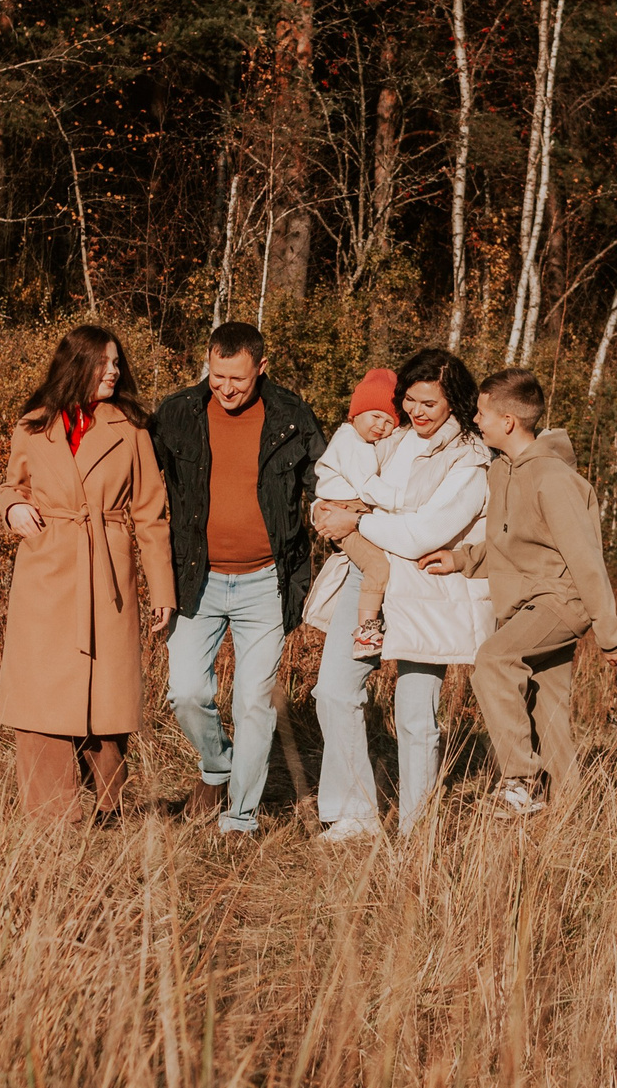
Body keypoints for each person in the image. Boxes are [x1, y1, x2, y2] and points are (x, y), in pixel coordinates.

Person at [420, 369, 617, 815]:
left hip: (559, 601)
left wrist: (609, 632)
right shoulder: (502, 472)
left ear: (509, 421)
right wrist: (459, 559)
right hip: (525, 604)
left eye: (482, 412)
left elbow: (587, 559)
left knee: (494, 660)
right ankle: (569, 813)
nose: (476, 419)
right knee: (549, 710)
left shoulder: (552, 478)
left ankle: (520, 779)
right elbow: (507, 546)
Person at [0, 324, 175, 824]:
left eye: (117, 362)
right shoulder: (33, 425)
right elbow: (12, 486)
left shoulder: (132, 428)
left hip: (107, 570)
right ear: (77, 366)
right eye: (104, 362)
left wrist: (162, 590)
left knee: (105, 692)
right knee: (41, 690)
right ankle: (54, 813)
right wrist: (12, 510)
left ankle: (107, 805)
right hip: (46, 568)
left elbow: (150, 514)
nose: (114, 371)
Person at [309, 348, 490, 841]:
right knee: (334, 690)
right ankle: (355, 813)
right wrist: (327, 512)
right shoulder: (398, 438)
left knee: (415, 714)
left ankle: (417, 826)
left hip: (427, 590)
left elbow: (422, 536)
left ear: (454, 401)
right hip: (368, 574)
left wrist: (359, 519)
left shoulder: (471, 460)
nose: (417, 411)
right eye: (409, 399)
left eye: (429, 402)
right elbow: (341, 480)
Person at [148, 321, 322, 834]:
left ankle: (240, 817)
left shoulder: (292, 416)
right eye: (218, 375)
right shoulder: (177, 412)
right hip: (195, 580)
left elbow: (327, 480)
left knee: (252, 701)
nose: (226, 387)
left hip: (266, 583)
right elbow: (135, 478)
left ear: (261, 369)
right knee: (184, 692)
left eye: (238, 380)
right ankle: (218, 763)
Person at [312, 367, 406, 656]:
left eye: (389, 421)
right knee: (378, 567)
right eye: (375, 416)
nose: (381, 426)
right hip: (346, 510)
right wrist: (400, 499)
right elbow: (367, 486)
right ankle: (366, 634)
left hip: (350, 509)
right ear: (355, 414)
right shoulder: (351, 444)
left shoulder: (360, 441)